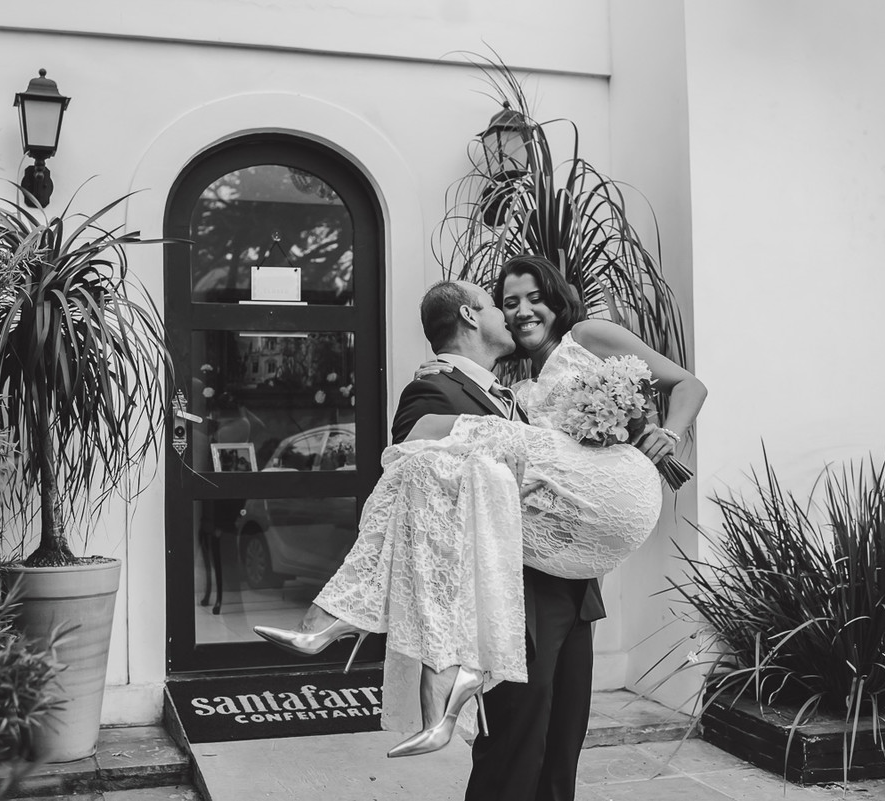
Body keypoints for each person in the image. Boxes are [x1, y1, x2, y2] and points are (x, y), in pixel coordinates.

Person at [256, 259, 707, 799]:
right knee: (513, 750)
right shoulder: (464, 389)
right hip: (517, 595)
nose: (519, 311)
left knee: (563, 743)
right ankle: (352, 621)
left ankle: (354, 628)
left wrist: (661, 434)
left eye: (531, 297)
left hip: (575, 588)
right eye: (506, 302)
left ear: (556, 299)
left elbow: (680, 389)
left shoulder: (542, 374)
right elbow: (414, 442)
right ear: (476, 315)